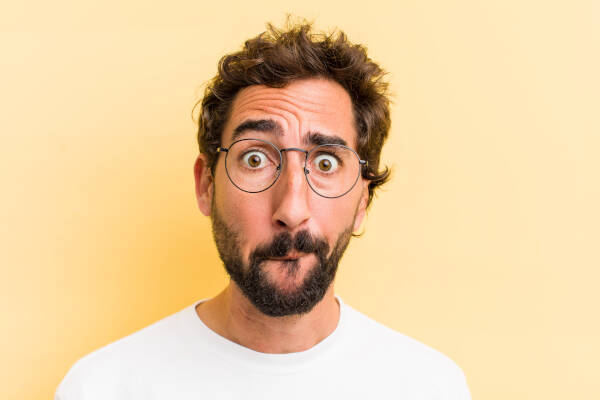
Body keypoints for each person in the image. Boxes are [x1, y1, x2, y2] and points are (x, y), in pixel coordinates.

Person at [55, 21, 471, 399]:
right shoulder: (102, 387)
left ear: (362, 200)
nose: (291, 209)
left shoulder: (429, 386)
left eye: (325, 162)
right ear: (207, 185)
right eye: (255, 159)